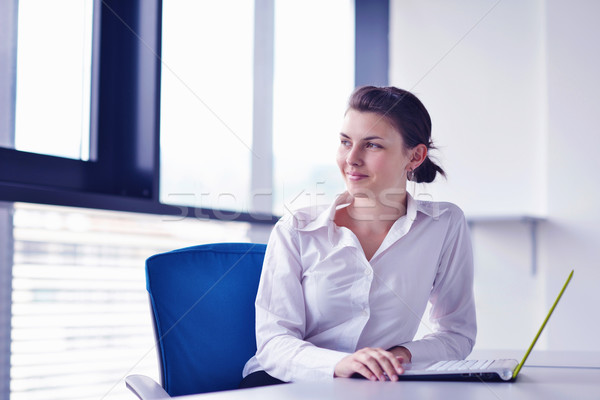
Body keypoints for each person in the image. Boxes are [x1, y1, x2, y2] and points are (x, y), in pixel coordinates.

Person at [239, 86, 476, 388]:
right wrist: (339, 364)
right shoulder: (297, 229)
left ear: (415, 156)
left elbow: (457, 333)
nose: (351, 158)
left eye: (372, 145)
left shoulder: (443, 226)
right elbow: (274, 343)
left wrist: (401, 354)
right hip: (286, 383)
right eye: (345, 142)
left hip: (375, 387)